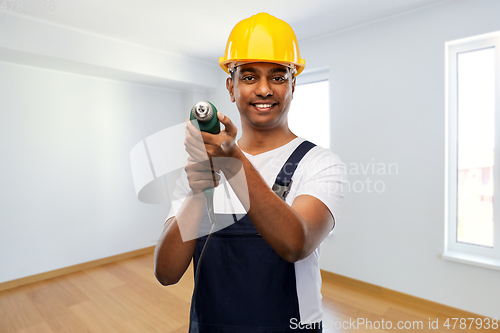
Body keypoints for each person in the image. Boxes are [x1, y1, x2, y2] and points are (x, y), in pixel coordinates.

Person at [154, 12, 346, 333]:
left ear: (293, 85)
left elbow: (295, 244)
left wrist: (233, 160)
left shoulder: (320, 163)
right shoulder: (203, 164)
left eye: (278, 76)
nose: (264, 89)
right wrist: (202, 186)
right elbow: (166, 272)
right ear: (231, 88)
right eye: (249, 77)